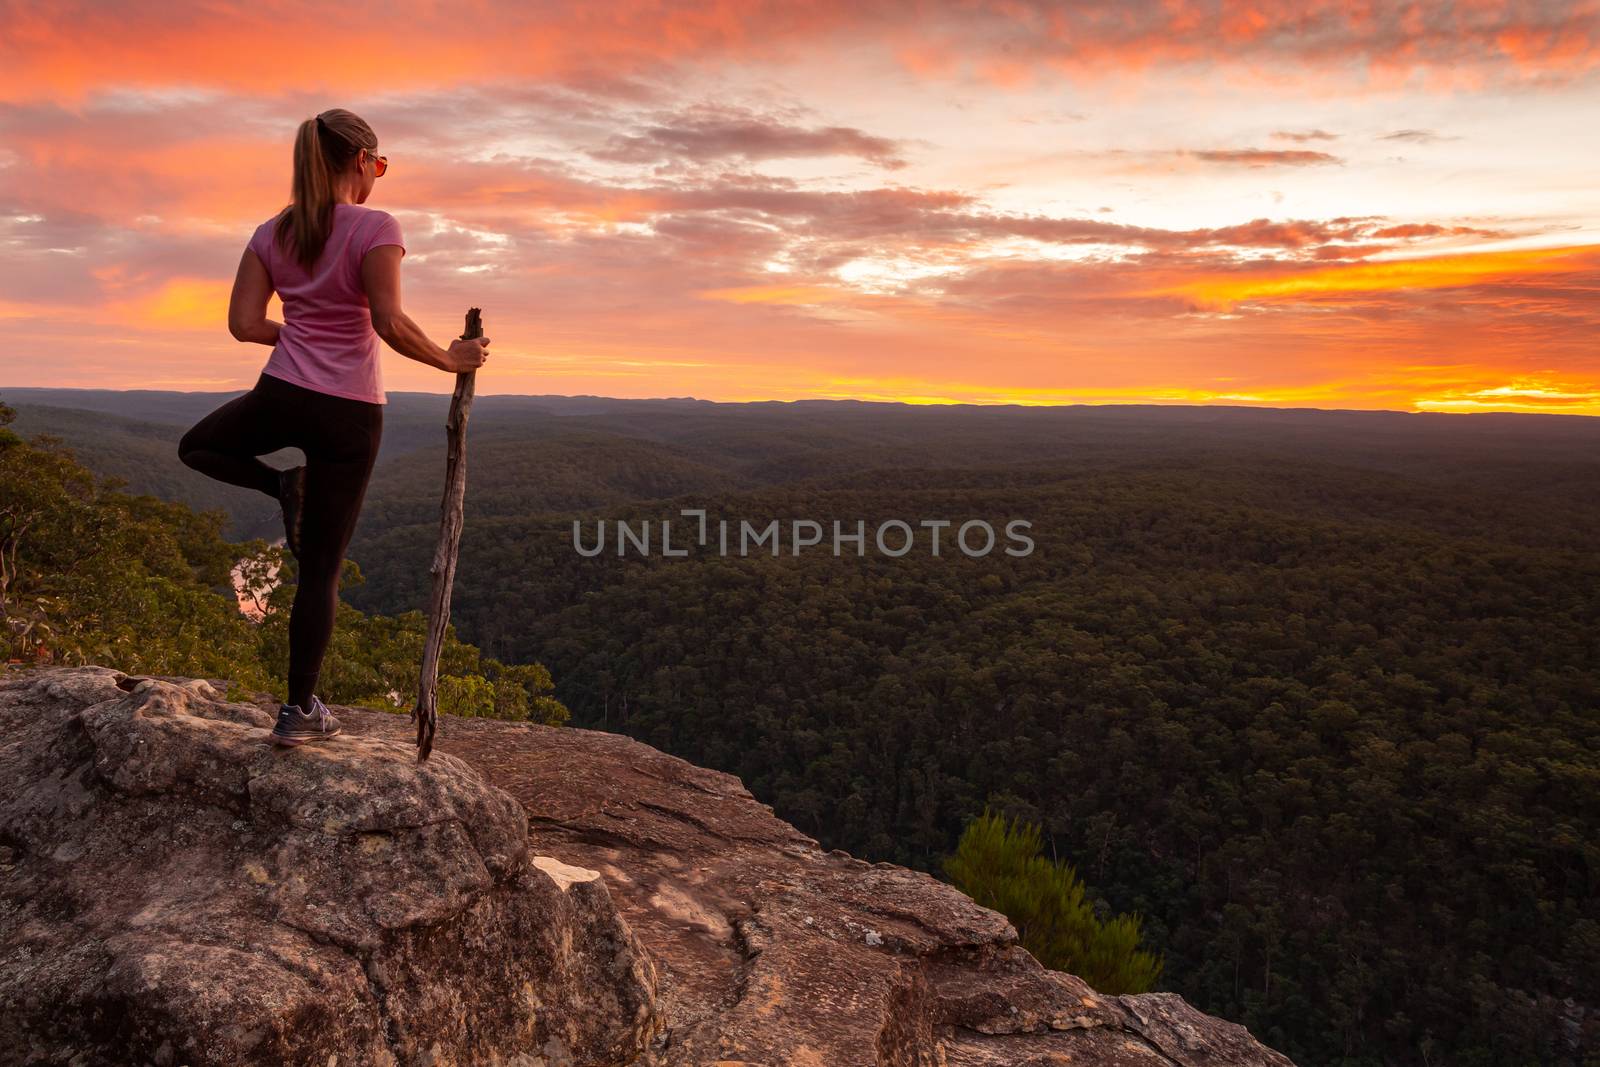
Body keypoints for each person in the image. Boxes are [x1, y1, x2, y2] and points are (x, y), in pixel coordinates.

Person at [177, 107, 490, 747]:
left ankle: (281, 486)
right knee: (320, 571)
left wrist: (299, 331)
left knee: (198, 445)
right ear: (359, 161)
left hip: (283, 393)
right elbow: (389, 322)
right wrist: (451, 359)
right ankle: (297, 713)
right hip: (349, 412)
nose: (378, 177)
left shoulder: (271, 232)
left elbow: (243, 323)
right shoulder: (376, 226)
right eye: (379, 165)